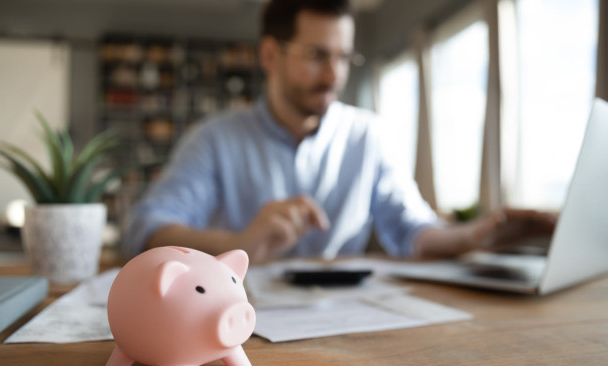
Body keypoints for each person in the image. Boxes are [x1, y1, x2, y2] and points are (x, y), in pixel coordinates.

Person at [123, 0, 555, 263]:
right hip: (236, 323)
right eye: (317, 55)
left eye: (345, 57)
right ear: (270, 54)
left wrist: (477, 235)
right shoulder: (214, 139)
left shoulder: (369, 136)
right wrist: (239, 243)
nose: (334, 74)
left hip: (344, 331)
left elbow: (412, 230)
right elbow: (147, 231)